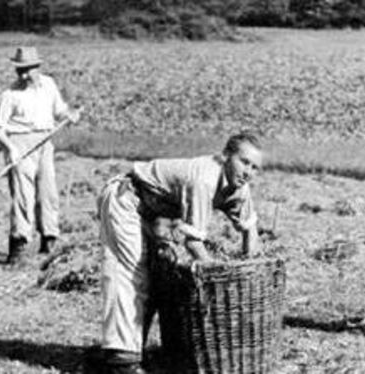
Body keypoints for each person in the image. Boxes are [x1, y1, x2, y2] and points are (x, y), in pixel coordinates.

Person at [93, 131, 263, 373]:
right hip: (127, 198)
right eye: (244, 162)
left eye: (255, 168)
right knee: (131, 274)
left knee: (158, 275)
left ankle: (132, 349)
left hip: (156, 213)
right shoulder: (204, 178)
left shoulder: (240, 186)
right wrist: (219, 278)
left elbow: (250, 229)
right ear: (226, 156)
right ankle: (121, 361)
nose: (248, 172)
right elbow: (193, 244)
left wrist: (249, 268)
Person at [0, 46, 80, 266]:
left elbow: (59, 111)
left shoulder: (48, 84)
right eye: (19, 70)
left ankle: (49, 240)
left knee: (48, 193)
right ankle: (19, 246)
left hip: (45, 142)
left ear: (37, 67)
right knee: (23, 196)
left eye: (27, 69)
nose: (22, 75)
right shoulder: (10, 94)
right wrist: (10, 148)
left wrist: (70, 114)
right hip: (20, 144)